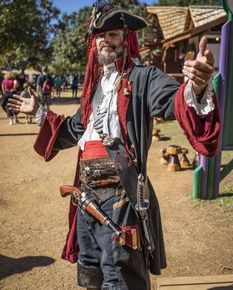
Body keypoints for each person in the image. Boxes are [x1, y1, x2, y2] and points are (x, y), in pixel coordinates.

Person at [8, 3, 220, 290]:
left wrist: (197, 87)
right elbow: (73, 130)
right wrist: (40, 113)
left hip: (121, 198)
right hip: (86, 196)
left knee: (120, 277)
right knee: (90, 270)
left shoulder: (143, 77)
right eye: (99, 35)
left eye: (113, 35)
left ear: (126, 40)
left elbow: (173, 101)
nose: (104, 41)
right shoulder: (93, 88)